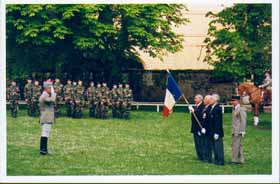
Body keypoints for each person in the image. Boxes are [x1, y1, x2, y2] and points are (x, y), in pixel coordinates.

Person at [39, 80, 56, 155]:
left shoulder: (46, 94)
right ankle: (43, 150)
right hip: (46, 117)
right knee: (45, 132)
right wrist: (53, 93)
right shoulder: (44, 95)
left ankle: (44, 149)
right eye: (50, 88)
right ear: (46, 88)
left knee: (46, 132)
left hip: (47, 117)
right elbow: (52, 100)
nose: (51, 89)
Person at [188, 94, 206, 161]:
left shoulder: (202, 106)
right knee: (197, 142)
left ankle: (202, 156)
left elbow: (200, 115)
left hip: (200, 128)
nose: (194, 99)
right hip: (195, 128)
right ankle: (199, 155)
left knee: (200, 142)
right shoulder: (196, 106)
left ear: (200, 99)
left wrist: (194, 111)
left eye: (196, 98)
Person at [208, 94, 224, 165]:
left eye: (211, 99)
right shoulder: (212, 107)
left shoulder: (217, 108)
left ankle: (220, 161)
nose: (210, 100)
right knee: (214, 147)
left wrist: (217, 132)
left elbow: (218, 121)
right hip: (212, 130)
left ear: (215, 100)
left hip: (217, 131)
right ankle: (216, 160)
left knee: (218, 147)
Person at [230, 95, 247, 164]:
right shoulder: (234, 108)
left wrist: (242, 130)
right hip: (234, 130)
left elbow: (243, 120)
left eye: (233, 101)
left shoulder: (241, 109)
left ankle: (235, 160)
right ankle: (240, 159)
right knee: (238, 145)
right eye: (232, 101)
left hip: (238, 130)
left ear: (238, 101)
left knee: (236, 145)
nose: (232, 102)